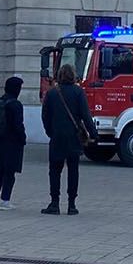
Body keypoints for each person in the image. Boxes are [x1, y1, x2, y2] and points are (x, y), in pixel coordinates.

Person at [41, 64, 90, 215]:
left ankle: (54, 203)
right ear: (73, 75)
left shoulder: (52, 93)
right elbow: (85, 115)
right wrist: (93, 134)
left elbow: (45, 116)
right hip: (74, 138)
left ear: (59, 75)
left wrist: (50, 132)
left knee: (54, 171)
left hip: (57, 138)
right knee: (73, 171)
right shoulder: (78, 92)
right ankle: (72, 205)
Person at [0, 75, 28, 210]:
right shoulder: (15, 104)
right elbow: (18, 124)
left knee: (0, 170)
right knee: (10, 173)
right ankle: (5, 200)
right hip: (11, 142)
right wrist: (23, 138)